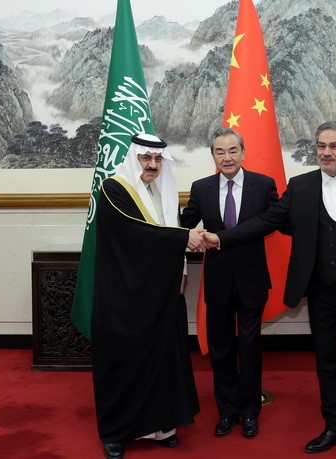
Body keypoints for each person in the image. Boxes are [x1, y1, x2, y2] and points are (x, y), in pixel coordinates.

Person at [202, 121, 336, 457]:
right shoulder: (301, 186)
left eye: (334, 146)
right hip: (321, 292)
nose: (327, 152)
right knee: (327, 363)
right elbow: (266, 221)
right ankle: (335, 427)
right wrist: (221, 237)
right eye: (321, 146)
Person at [91, 133, 203, 459]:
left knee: (163, 357)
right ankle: (116, 432)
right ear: (134, 158)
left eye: (157, 160)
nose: (152, 165)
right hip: (125, 296)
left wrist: (182, 270)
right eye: (146, 158)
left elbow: (169, 227)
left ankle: (161, 426)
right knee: (125, 360)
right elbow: (133, 232)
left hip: (162, 292)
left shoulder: (162, 191)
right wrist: (184, 238)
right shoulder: (114, 189)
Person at [181, 127, 278, 438]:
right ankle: (227, 411)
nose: (227, 157)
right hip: (218, 280)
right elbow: (184, 224)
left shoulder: (264, 185)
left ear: (243, 153)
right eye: (220, 152)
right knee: (221, 348)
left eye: (233, 150)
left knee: (249, 347)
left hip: (252, 279)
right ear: (212, 156)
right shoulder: (201, 188)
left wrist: (222, 238)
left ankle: (249, 412)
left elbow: (273, 221)